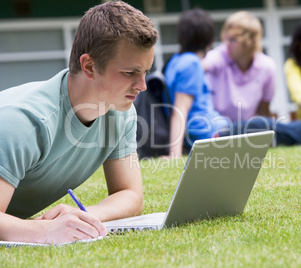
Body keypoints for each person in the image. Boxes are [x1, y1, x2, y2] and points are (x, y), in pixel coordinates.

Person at [0, 1, 158, 244]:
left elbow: (130, 195)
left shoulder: (120, 112)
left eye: (145, 72)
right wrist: (46, 231)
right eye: (129, 73)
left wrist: (84, 216)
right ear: (89, 66)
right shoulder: (24, 122)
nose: (142, 85)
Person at [164, 8, 229, 157]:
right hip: (210, 133)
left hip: (212, 130)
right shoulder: (192, 63)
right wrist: (175, 154)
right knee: (265, 126)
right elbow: (180, 110)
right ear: (208, 38)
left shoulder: (175, 61)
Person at [203, 11, 276, 121]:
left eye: (232, 40)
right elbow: (199, 68)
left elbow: (264, 110)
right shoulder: (219, 55)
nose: (226, 44)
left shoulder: (267, 67)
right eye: (225, 39)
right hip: (217, 127)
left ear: (250, 42)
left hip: (247, 129)